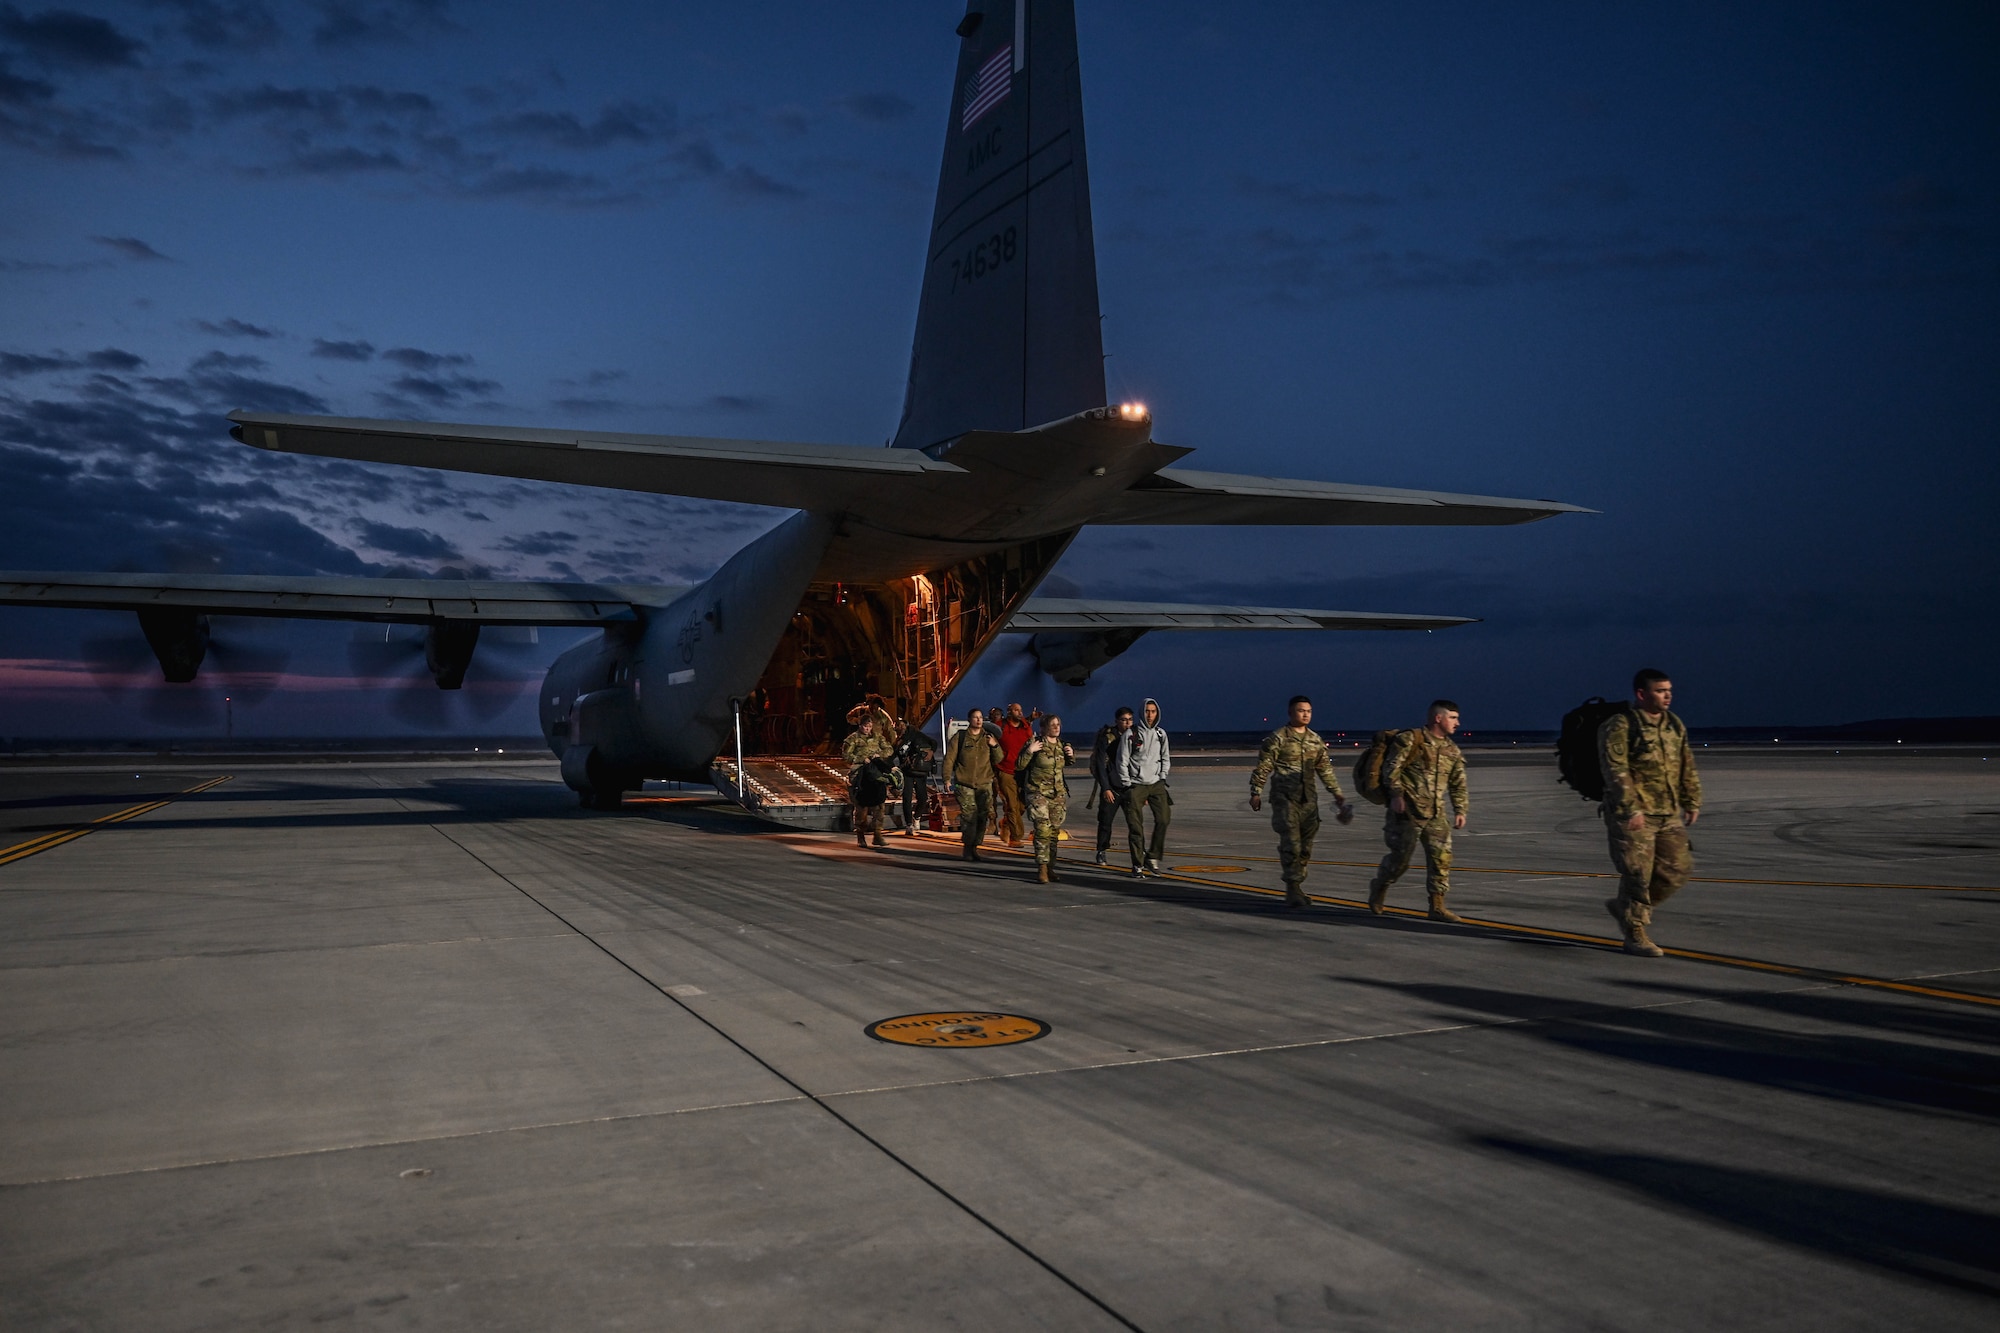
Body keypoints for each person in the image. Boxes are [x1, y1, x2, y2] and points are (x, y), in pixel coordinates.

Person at [1600, 669, 1702, 957]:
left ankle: (1626, 909)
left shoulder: (1673, 724)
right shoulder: (1620, 725)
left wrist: (1691, 800)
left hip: (1667, 811)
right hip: (1633, 814)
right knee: (1637, 875)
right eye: (1660, 690)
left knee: (1677, 871)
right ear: (1642, 694)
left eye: (1669, 690)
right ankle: (1635, 931)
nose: (1668, 695)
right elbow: (1614, 768)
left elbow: (1686, 762)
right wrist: (1631, 808)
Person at [1366, 700, 1469, 921]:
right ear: (1438, 718)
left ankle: (1437, 906)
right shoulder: (1411, 739)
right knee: (1400, 861)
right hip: (1407, 813)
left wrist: (1460, 809)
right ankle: (1380, 886)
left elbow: (1458, 782)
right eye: (1453, 717)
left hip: (1436, 814)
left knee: (1441, 860)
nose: (1457, 723)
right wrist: (1395, 795)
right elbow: (1391, 768)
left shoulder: (1452, 749)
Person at [1249, 695, 1354, 907]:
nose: (1305, 714)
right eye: (1300, 710)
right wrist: (1256, 792)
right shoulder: (1278, 738)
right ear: (1290, 713)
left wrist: (1337, 793)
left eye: (1308, 711)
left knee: (1306, 847)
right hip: (1285, 799)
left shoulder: (1315, 740)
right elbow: (1264, 765)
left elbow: (1324, 769)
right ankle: (1293, 887)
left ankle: (1297, 884)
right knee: (1292, 844)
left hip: (1308, 800)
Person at [1116, 696, 1172, 875]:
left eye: (1153, 711)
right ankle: (1137, 864)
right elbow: (1122, 761)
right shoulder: (1130, 734)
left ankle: (1152, 856)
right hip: (1136, 785)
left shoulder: (1161, 734)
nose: (1150, 715)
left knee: (1164, 819)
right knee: (1135, 826)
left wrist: (1162, 777)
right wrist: (1127, 783)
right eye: (1147, 711)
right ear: (1142, 712)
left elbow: (1165, 757)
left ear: (1157, 713)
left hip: (1156, 783)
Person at [1019, 715, 1075, 883]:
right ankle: (1042, 868)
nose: (1056, 727)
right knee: (1042, 829)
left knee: (1053, 833)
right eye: (1052, 725)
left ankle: (1051, 867)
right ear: (1043, 728)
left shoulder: (1062, 745)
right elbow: (1019, 765)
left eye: (1058, 724)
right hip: (1038, 793)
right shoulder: (1034, 743)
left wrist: (1071, 755)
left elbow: (1069, 763)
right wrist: (1029, 751)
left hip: (1057, 794)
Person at [942, 708, 1002, 860]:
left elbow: (999, 759)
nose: (979, 720)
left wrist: (994, 745)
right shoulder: (960, 737)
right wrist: (947, 779)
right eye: (975, 717)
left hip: (984, 784)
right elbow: (949, 759)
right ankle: (968, 847)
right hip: (964, 783)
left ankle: (975, 845)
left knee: (982, 816)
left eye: (981, 717)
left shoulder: (988, 737)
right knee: (969, 816)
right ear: (969, 719)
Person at [841, 712, 897, 849]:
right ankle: (861, 835)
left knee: (879, 806)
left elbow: (889, 749)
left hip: (875, 773)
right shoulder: (852, 739)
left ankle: (878, 835)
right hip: (859, 773)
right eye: (865, 726)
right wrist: (861, 759)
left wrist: (879, 755)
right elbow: (846, 755)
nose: (868, 729)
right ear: (860, 726)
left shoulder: (878, 737)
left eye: (870, 726)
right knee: (861, 808)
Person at [1089, 707, 1133, 866]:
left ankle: (1138, 853)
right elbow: (1100, 765)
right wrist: (1106, 788)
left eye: (1130, 720)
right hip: (1112, 786)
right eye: (1124, 720)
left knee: (1135, 823)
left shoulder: (1135, 737)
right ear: (1117, 721)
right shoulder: (1107, 738)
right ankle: (1101, 851)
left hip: (1129, 787)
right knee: (1105, 821)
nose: (1127, 723)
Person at [993, 702, 1034, 846]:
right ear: (1009, 712)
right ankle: (1016, 837)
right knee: (1012, 804)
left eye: (1021, 710)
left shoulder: (1025, 727)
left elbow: (1031, 744)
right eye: (1016, 710)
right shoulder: (1000, 726)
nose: (1020, 712)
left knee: (1022, 806)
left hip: (1022, 772)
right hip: (1005, 770)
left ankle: (1005, 823)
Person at [892, 724, 937, 835]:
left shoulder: (916, 735)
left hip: (919, 770)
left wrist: (931, 752)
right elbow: (891, 756)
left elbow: (934, 743)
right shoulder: (898, 742)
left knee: (923, 798)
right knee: (906, 798)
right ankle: (908, 824)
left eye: (901, 727)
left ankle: (916, 817)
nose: (900, 729)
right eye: (898, 728)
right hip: (906, 772)